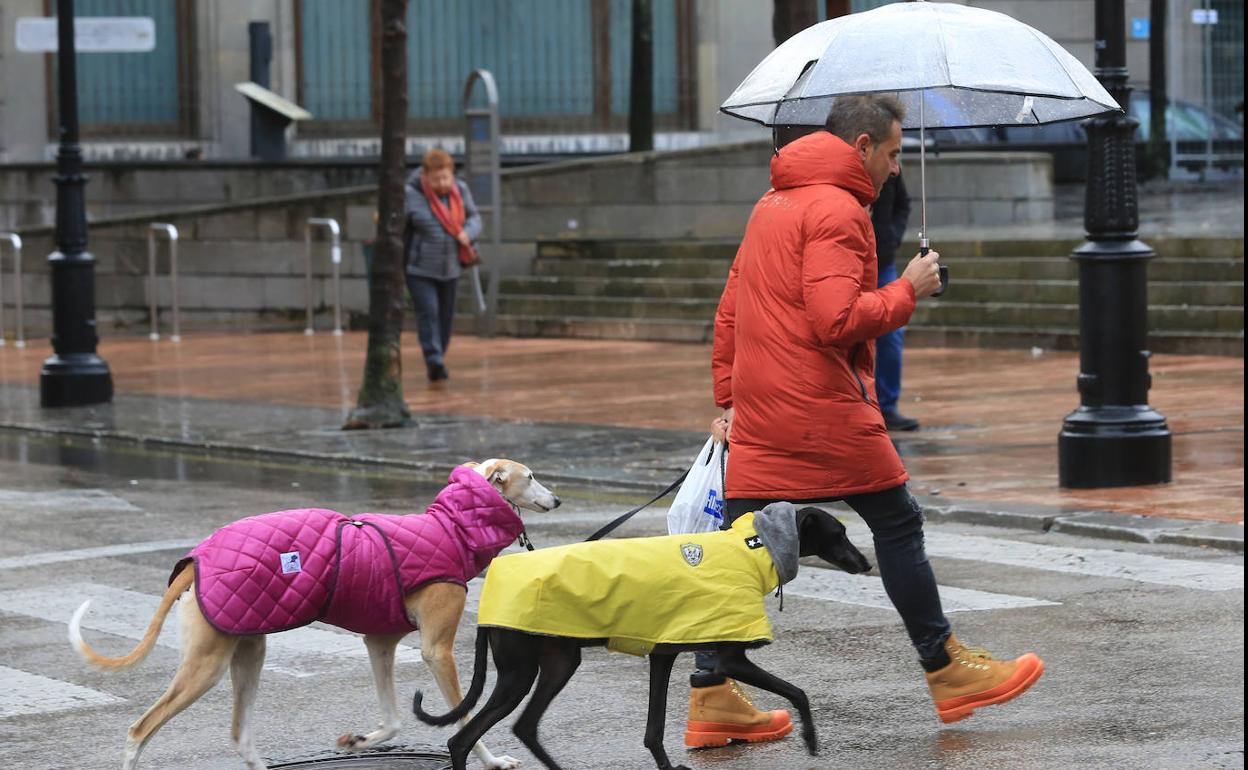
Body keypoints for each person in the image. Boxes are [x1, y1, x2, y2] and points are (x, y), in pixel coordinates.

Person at [690, 94, 1044, 742]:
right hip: (820, 407)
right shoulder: (838, 210)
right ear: (861, 146)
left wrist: (731, 400)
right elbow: (837, 319)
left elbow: (730, 309)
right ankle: (945, 668)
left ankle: (711, 694)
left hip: (766, 406)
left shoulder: (771, 204)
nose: (896, 167)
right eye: (892, 152)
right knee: (898, 521)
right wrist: (908, 288)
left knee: (735, 548)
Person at [404, 148, 481, 382]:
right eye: (436, 179)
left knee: (446, 316)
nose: (442, 184)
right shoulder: (411, 194)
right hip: (420, 267)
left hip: (451, 267)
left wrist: (468, 233)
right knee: (429, 312)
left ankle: (439, 355)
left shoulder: (460, 191)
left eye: (446, 177)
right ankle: (434, 358)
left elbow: (475, 218)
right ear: (425, 176)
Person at [871, 172, 920, 431]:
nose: (895, 165)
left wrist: (893, 236)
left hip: (884, 262)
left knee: (891, 334)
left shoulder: (889, 172)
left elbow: (903, 203)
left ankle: (887, 406)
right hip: (853, 263)